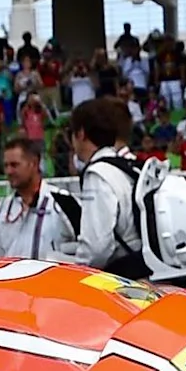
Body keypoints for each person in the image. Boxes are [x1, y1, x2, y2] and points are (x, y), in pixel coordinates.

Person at [58, 95, 150, 273]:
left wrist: (77, 273)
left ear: (81, 133)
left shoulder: (98, 174)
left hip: (122, 277)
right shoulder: (126, 167)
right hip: (145, 268)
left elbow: (96, 247)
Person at [0, 133, 75, 258]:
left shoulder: (63, 201)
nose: (9, 171)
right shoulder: (3, 207)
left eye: (14, 165)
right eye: (6, 165)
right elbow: (0, 254)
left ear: (34, 164)